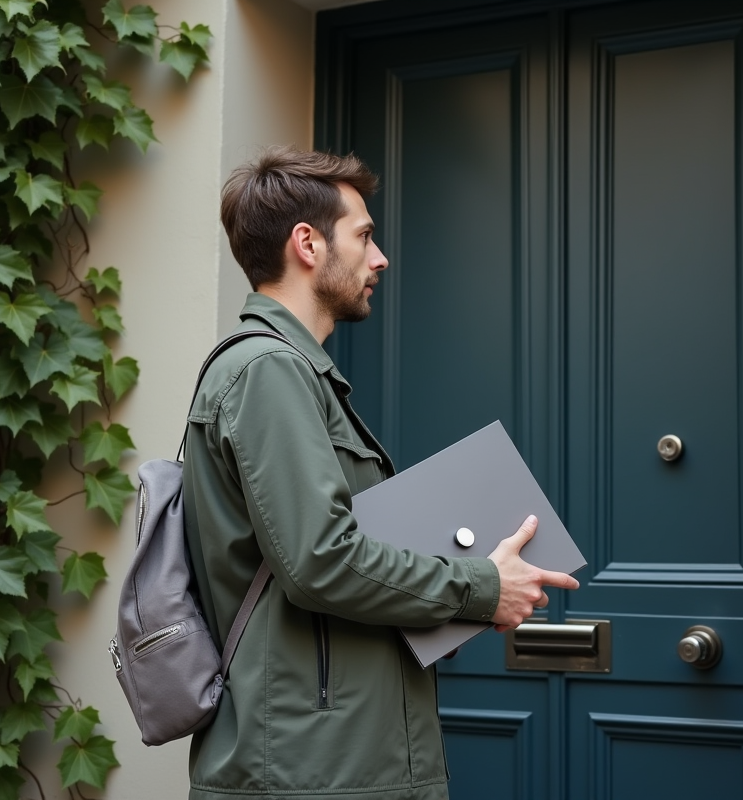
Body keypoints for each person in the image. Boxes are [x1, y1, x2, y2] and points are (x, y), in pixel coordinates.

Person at [181, 146, 579, 800]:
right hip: (310, 771)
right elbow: (321, 561)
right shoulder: (269, 373)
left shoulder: (292, 374)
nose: (380, 257)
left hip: (338, 761)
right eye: (364, 235)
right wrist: (479, 587)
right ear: (307, 244)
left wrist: (475, 597)